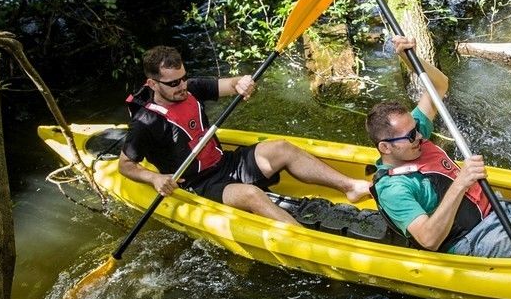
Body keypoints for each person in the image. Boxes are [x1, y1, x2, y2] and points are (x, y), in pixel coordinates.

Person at [366, 37, 511, 257]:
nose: (419, 136)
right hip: (471, 238)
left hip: (499, 208)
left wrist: (409, 58)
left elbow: (439, 85)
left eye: (417, 127)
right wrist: (461, 183)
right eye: (410, 135)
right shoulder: (394, 190)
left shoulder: (414, 138)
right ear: (386, 147)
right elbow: (429, 240)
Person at [119, 45, 371, 225]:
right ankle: (307, 241)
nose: (182, 86)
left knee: (282, 147)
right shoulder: (145, 122)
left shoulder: (191, 89)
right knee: (252, 195)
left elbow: (230, 84)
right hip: (198, 184)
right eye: (173, 83)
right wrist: (154, 178)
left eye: (183, 78)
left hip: (226, 163)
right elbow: (126, 165)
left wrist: (242, 82)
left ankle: (350, 187)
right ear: (153, 84)